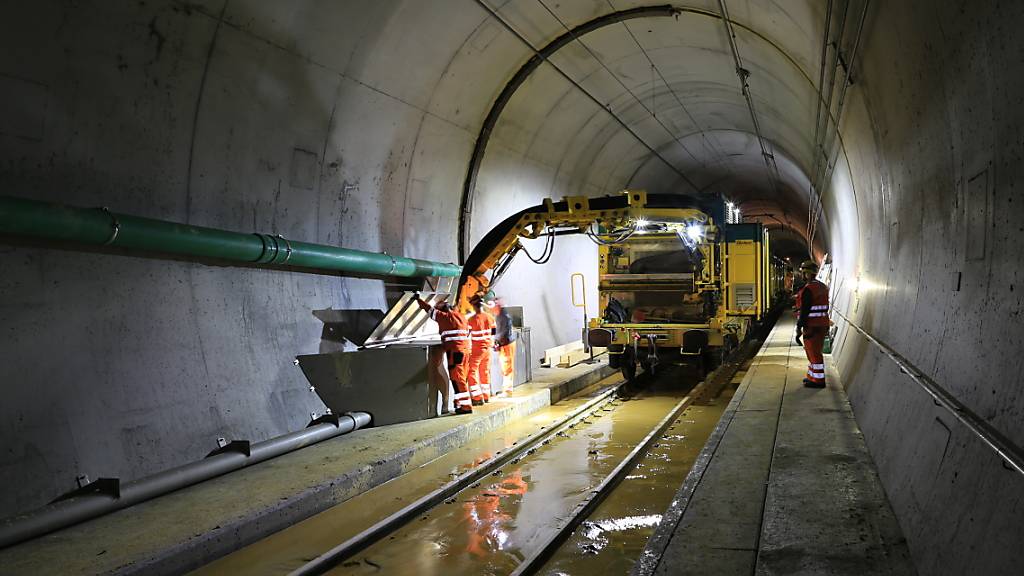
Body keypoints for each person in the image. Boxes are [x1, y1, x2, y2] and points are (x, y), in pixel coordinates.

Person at [416, 295, 474, 414]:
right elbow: (467, 331)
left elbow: (429, 310)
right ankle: (459, 404)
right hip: (465, 351)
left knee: (458, 378)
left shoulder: (445, 317)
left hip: (455, 352)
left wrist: (418, 299)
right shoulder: (461, 316)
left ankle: (466, 407)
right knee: (460, 378)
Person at [794, 260, 829, 388]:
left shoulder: (808, 289)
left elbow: (805, 311)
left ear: (808, 274)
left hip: (812, 326)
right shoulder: (822, 286)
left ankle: (819, 380)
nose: (802, 275)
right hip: (822, 324)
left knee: (813, 353)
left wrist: (799, 327)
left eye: (803, 273)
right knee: (813, 352)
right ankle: (812, 377)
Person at [467, 293, 496, 404]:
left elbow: (466, 334)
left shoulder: (471, 320)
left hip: (477, 350)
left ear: (474, 306)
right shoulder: (490, 317)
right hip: (487, 349)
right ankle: (486, 395)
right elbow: (494, 331)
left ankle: (477, 398)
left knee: (471, 372)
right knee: (484, 372)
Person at [492, 295, 517, 396]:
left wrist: (496, 341)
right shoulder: (500, 315)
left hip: (507, 344)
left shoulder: (503, 316)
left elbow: (504, 331)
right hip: (505, 343)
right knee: (505, 367)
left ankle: (507, 391)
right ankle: (506, 389)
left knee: (507, 367)